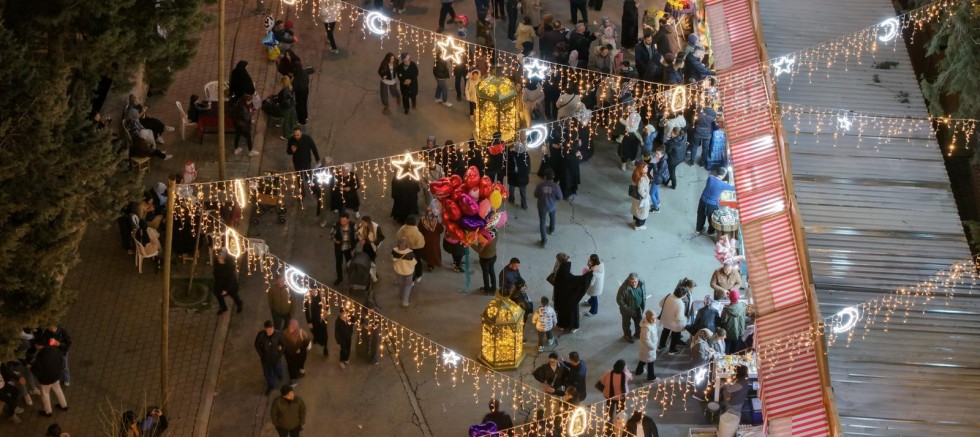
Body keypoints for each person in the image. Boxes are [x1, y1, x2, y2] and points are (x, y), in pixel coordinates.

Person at [551, 253, 592, 333]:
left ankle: (562, 325)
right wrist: (587, 276)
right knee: (573, 312)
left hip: (561, 296)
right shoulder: (565, 270)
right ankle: (573, 326)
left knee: (562, 311)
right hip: (570, 297)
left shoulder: (560, 271)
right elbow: (574, 281)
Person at [32, 338, 68, 418]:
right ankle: (64, 405)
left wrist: (32, 368)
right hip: (55, 375)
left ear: (39, 346)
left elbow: (37, 368)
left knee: (45, 394)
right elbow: (61, 360)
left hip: (45, 379)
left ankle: (48, 412)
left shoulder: (41, 355)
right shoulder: (54, 349)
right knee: (58, 390)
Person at [696, 168, 735, 236]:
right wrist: (731, 175)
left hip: (702, 200)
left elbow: (713, 186)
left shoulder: (710, 178)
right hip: (711, 204)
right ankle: (710, 232)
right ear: (724, 175)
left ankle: (698, 230)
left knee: (701, 215)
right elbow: (733, 188)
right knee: (712, 218)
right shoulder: (723, 184)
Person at [658, 282, 691, 354]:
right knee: (675, 335)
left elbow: (660, 304)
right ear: (682, 295)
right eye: (685, 295)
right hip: (674, 323)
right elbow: (679, 317)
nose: (685, 296)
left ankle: (661, 346)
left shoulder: (668, 296)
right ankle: (672, 349)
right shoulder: (680, 303)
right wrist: (685, 319)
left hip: (666, 319)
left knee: (665, 332)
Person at [254, 320, 285, 396]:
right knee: (267, 374)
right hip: (266, 359)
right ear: (265, 329)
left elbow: (283, 344)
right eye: (268, 330)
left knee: (278, 368)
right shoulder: (261, 335)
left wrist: (280, 354)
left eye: (271, 329)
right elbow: (257, 345)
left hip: (276, 358)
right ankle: (271, 386)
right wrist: (262, 355)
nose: (270, 331)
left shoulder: (278, 335)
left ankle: (280, 375)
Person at [534, 168, 563, 247]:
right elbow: (560, 197)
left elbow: (535, 195)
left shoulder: (540, 185)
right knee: (552, 217)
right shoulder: (556, 186)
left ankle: (544, 241)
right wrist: (553, 198)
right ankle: (551, 229)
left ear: (545, 176)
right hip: (551, 206)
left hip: (542, 206)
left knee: (542, 222)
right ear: (553, 176)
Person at [718, 365, 749, 437]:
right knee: (736, 413)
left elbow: (730, 389)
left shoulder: (739, 384)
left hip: (735, 402)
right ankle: (733, 425)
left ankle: (730, 429)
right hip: (740, 400)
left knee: (732, 414)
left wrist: (724, 384)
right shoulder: (743, 380)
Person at [616, 273, 645, 342]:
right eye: (632, 282)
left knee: (639, 322)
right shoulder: (623, 288)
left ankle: (637, 333)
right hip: (627, 310)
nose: (634, 284)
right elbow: (619, 300)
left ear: (638, 280)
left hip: (637, 308)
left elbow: (644, 293)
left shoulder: (641, 284)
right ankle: (627, 335)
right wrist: (628, 310)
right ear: (629, 280)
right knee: (626, 323)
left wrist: (643, 302)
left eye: (635, 282)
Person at [396, 215, 426, 282]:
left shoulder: (402, 229)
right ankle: (418, 275)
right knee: (417, 263)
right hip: (415, 250)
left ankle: (404, 277)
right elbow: (421, 244)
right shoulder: (417, 233)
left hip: (404, 249)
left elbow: (398, 236)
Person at [213, 250, 243, 315]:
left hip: (229, 285)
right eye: (218, 257)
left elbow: (231, 280)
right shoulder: (216, 262)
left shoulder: (229, 267)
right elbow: (215, 272)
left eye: (221, 258)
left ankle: (239, 303)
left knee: (234, 295)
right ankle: (223, 308)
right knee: (218, 295)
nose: (219, 259)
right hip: (219, 283)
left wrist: (226, 290)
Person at [331, 212, 357, 286]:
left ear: (348, 220)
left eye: (344, 221)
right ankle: (339, 278)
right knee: (338, 263)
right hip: (339, 248)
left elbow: (356, 234)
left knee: (349, 262)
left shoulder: (353, 225)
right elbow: (332, 235)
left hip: (348, 248)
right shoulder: (336, 225)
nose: (342, 222)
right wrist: (335, 241)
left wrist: (355, 243)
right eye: (341, 221)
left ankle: (352, 276)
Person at [282, 319, 311, 384]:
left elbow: (308, 342)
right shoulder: (284, 333)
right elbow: (282, 343)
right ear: (289, 326)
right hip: (289, 354)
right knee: (290, 366)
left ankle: (300, 370)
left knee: (300, 362)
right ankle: (293, 378)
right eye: (293, 326)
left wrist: (301, 349)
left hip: (300, 353)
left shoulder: (301, 333)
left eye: (295, 326)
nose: (294, 328)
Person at [392, 238, 418, 307]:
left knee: (400, 284)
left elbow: (392, 258)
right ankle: (405, 301)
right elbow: (414, 263)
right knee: (408, 285)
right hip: (408, 272)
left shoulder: (394, 251)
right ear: (407, 246)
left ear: (398, 245)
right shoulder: (410, 254)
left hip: (399, 271)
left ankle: (401, 295)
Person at [304, 288, 329, 357]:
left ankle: (325, 347)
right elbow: (306, 310)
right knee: (313, 330)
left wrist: (326, 311)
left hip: (322, 318)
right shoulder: (308, 297)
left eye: (315, 290)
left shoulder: (321, 295)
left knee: (324, 333)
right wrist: (309, 321)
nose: (314, 292)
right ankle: (316, 337)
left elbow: (327, 304)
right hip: (313, 319)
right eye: (312, 290)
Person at [720, 290, 747, 354]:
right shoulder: (743, 306)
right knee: (736, 351)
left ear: (729, 298)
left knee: (727, 351)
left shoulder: (726, 309)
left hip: (729, 334)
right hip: (739, 332)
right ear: (738, 297)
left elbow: (723, 321)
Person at [635, 310, 659, 381]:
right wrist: (652, 347)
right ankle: (651, 377)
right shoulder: (646, 328)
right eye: (653, 319)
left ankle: (639, 371)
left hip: (647, 348)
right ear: (647, 318)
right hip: (649, 348)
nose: (654, 320)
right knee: (650, 362)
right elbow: (646, 340)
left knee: (643, 359)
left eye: (655, 318)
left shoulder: (651, 323)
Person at [507, 142, 531, 210]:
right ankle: (524, 205)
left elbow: (509, 165)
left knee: (512, 188)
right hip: (523, 177)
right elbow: (528, 167)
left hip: (513, 176)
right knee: (523, 191)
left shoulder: (512, 155)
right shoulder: (526, 155)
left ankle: (511, 200)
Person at [630, 161, 651, 230]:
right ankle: (638, 226)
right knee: (642, 212)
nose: (647, 168)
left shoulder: (636, 174)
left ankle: (634, 221)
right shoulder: (641, 178)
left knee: (636, 210)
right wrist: (646, 196)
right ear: (641, 169)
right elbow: (641, 190)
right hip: (641, 198)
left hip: (635, 197)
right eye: (645, 168)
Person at [291, 57, 311, 126]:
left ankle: (302, 121)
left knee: (299, 106)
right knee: (304, 104)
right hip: (305, 90)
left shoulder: (296, 80)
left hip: (299, 93)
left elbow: (294, 88)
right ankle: (306, 116)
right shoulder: (305, 73)